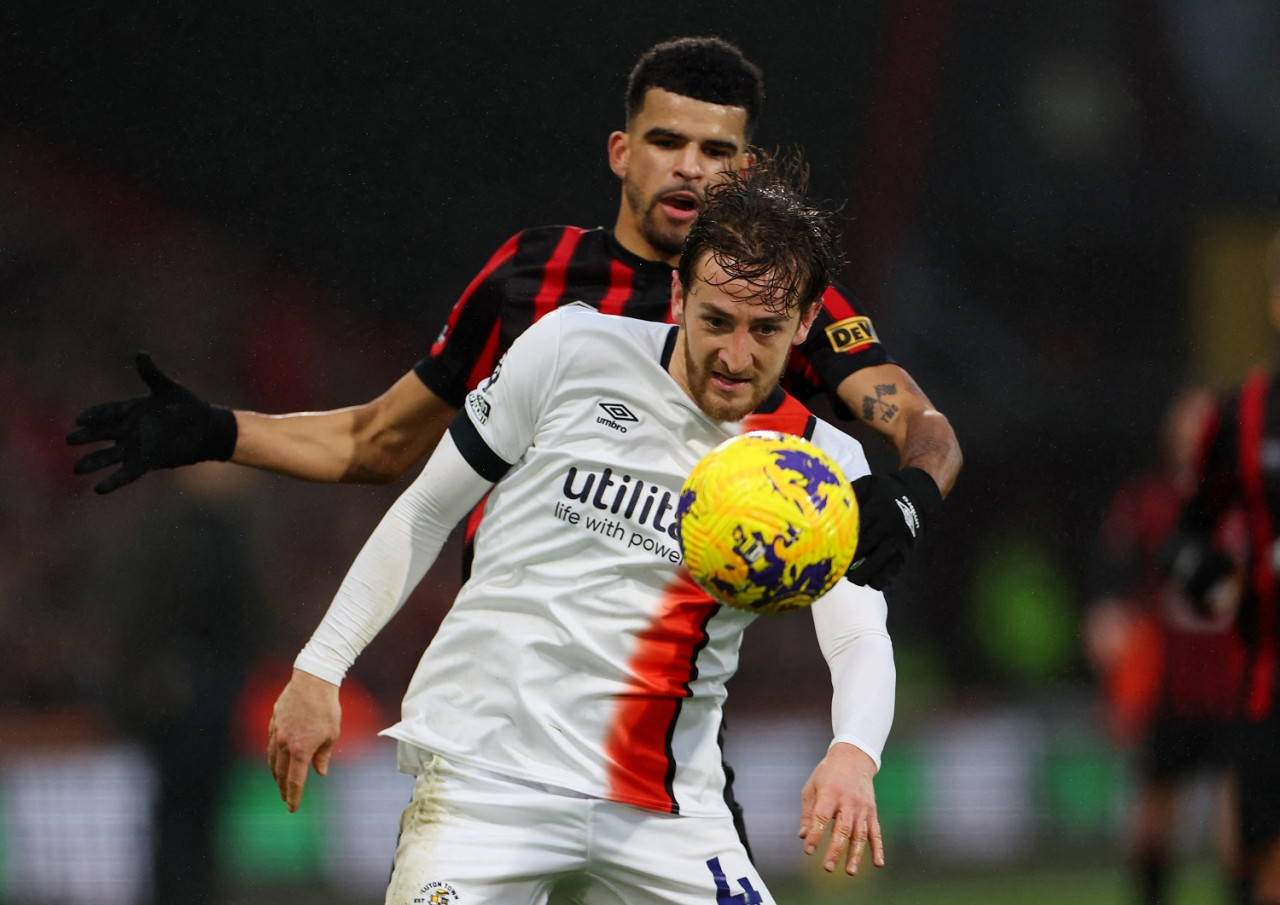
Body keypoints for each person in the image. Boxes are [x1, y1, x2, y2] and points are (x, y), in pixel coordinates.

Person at [66, 36, 961, 593]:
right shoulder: (534, 276)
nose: (690, 168)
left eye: (715, 149)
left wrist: (912, 495)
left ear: (747, 165)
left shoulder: (770, 304)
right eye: (666, 142)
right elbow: (378, 442)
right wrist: (220, 432)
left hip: (671, 687)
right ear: (621, 152)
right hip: (511, 676)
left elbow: (923, 423)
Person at [267, 156, 895, 904]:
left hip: (665, 806)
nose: (735, 355)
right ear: (677, 292)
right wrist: (320, 665)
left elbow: (858, 633)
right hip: (486, 779)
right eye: (715, 320)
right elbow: (427, 508)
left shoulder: (821, 465)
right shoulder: (570, 349)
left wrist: (854, 751)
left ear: (809, 317)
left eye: (767, 330)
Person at [1083, 384, 1243, 905]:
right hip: (1169, 688)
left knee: (1239, 823)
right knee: (1152, 823)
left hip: (1238, 682)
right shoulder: (1147, 501)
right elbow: (1114, 575)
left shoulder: (1249, 499)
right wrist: (1107, 616)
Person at [1168, 229, 1280, 905]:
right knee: (1261, 863)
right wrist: (1220, 584)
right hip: (1272, 685)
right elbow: (1185, 539)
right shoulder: (1244, 415)